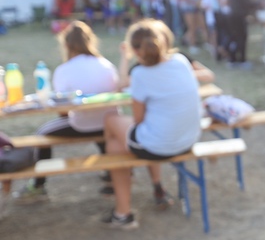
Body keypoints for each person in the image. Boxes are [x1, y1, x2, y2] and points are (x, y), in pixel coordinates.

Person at [102, 19, 202, 229]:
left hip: (161, 145)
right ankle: (153, 188)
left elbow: (138, 120)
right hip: (189, 139)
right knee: (130, 139)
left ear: (135, 50)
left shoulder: (140, 74)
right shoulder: (181, 61)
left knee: (112, 124)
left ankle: (122, 209)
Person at [13, 21, 120, 202]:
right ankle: (110, 173)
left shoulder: (64, 70)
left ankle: (38, 184)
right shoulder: (106, 64)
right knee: (100, 129)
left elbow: (62, 110)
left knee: (42, 135)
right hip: (110, 123)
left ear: (66, 45)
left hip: (83, 124)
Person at [227, 0, 256, 68]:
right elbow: (247, 2)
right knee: (241, 38)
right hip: (238, 16)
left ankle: (234, 60)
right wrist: (259, 4)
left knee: (235, 38)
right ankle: (241, 60)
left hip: (235, 15)